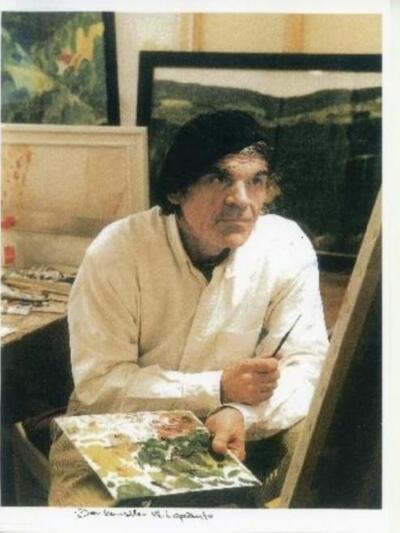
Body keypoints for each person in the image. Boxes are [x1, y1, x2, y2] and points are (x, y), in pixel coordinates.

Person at [49, 110, 328, 506]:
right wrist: (216, 388)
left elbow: (308, 367)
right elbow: (100, 386)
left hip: (239, 421)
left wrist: (238, 411)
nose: (241, 200)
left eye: (256, 181)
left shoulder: (286, 245)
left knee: (323, 461)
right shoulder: (117, 251)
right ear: (176, 190)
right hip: (117, 423)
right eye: (218, 178)